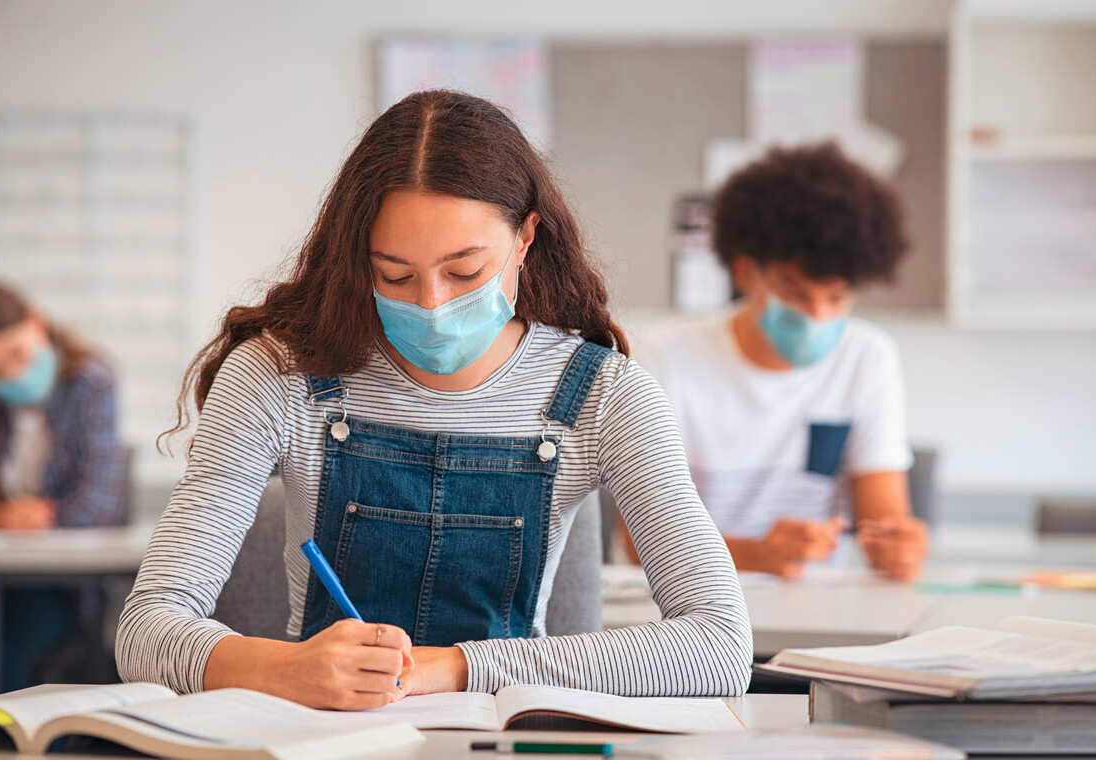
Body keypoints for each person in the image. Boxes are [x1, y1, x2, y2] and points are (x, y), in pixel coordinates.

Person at [116, 90, 752, 711]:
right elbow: (145, 631)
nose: (431, 304)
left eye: (465, 273)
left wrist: (456, 666)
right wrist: (283, 669)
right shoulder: (277, 375)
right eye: (394, 274)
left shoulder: (606, 396)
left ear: (526, 238)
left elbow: (719, 645)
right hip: (321, 737)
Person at [638, 143, 928, 582]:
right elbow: (638, 542)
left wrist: (897, 548)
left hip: (816, 614)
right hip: (687, 614)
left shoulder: (866, 358)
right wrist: (756, 554)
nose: (818, 317)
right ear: (744, 272)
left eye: (836, 297)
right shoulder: (662, 358)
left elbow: (883, 523)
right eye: (796, 292)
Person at [0, 281, 125, 690]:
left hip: (60, 586)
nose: (10, 375)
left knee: (3, 653)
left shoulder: (91, 382)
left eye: (16, 354)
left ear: (36, 322)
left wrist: (36, 518)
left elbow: (97, 507)